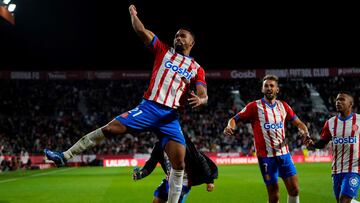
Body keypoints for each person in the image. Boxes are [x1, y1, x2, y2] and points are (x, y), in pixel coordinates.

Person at [44, 4, 208, 203]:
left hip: (170, 117)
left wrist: (201, 99)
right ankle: (65, 155)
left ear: (192, 42)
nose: (178, 38)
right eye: (176, 35)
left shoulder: (196, 68)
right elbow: (141, 30)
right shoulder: (163, 51)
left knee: (179, 164)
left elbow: (203, 92)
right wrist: (133, 15)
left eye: (182, 36)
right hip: (149, 107)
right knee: (111, 128)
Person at [223, 74, 309, 203]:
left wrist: (304, 131)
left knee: (295, 190)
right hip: (266, 158)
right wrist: (230, 127)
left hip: (284, 154)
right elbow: (234, 119)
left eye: (272, 86)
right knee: (274, 196)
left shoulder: (284, 106)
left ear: (277, 89)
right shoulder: (254, 106)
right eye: (266, 86)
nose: (269, 88)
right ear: (262, 89)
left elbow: (299, 123)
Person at [305, 92, 360, 203]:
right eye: (337, 100)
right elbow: (323, 142)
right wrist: (313, 144)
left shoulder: (359, 120)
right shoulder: (330, 123)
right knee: (341, 201)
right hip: (336, 170)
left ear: (350, 104)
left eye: (342, 99)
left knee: (344, 200)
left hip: (354, 169)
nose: (338, 102)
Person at [132, 135, 218, 203]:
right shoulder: (158, 147)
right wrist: (141, 173)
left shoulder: (183, 144)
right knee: (156, 201)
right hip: (169, 179)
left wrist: (210, 181)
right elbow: (151, 163)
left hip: (183, 182)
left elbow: (201, 159)